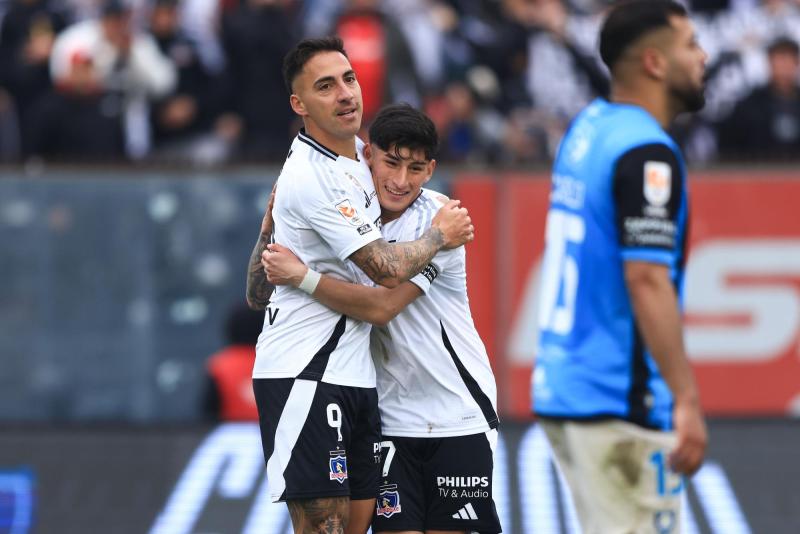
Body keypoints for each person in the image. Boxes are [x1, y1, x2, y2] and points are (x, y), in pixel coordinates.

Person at [244, 37, 474, 534]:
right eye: (325, 86)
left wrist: (273, 234)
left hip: (356, 376)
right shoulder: (311, 177)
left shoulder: (357, 164)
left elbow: (256, 290)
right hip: (305, 371)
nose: (346, 93)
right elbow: (387, 269)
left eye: (348, 79)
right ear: (299, 104)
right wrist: (441, 236)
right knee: (323, 526)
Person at [531, 2, 708, 533]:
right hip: (618, 402)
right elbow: (646, 278)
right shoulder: (648, 152)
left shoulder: (588, 127)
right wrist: (686, 400)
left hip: (565, 386)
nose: (703, 57)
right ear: (655, 63)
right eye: (690, 45)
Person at [717, 36, 800, 160]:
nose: (783, 66)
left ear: (796, 63)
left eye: (788, 59)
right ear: (769, 62)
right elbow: (730, 147)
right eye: (779, 59)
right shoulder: (749, 106)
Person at [203, 303, 264, 422]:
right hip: (273, 435)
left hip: (231, 434)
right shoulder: (278, 362)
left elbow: (209, 412)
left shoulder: (219, 365)